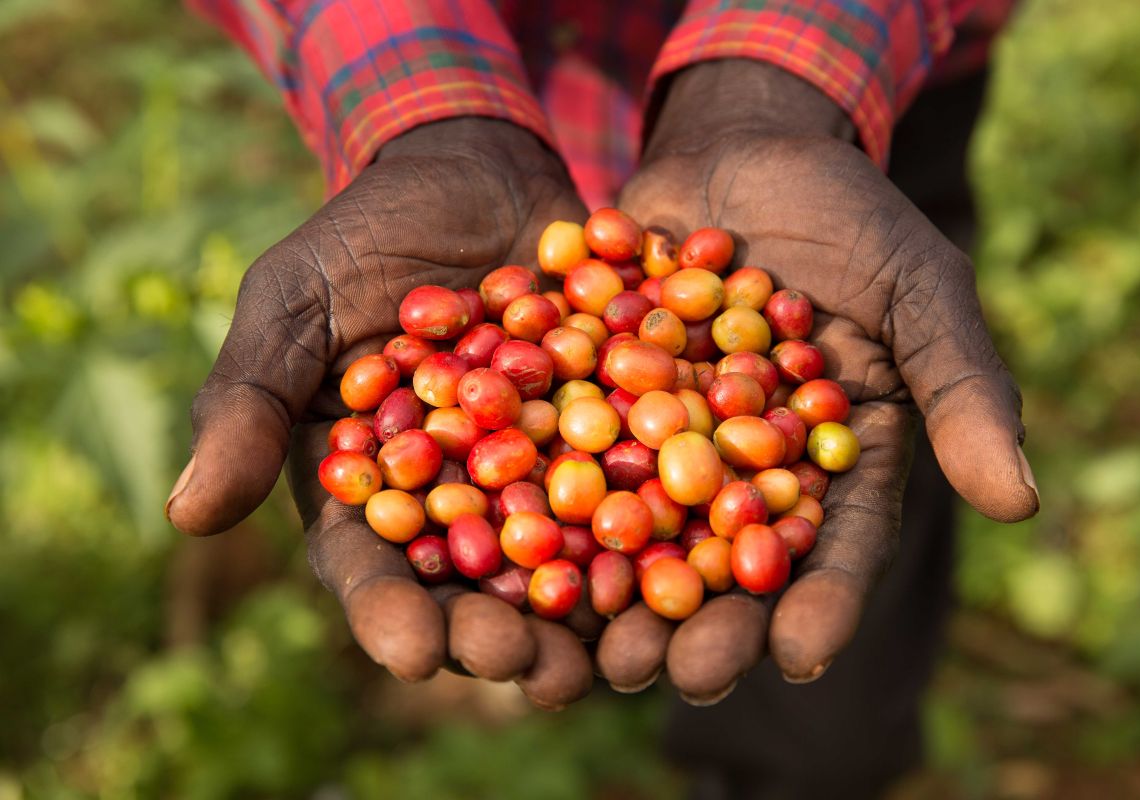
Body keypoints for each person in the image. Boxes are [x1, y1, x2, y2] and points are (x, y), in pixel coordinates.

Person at [167, 1, 1040, 794]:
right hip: (474, 101)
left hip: (852, 113)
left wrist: (771, 86)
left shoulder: (671, 385)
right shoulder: (544, 395)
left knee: (827, 711)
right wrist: (431, 109)